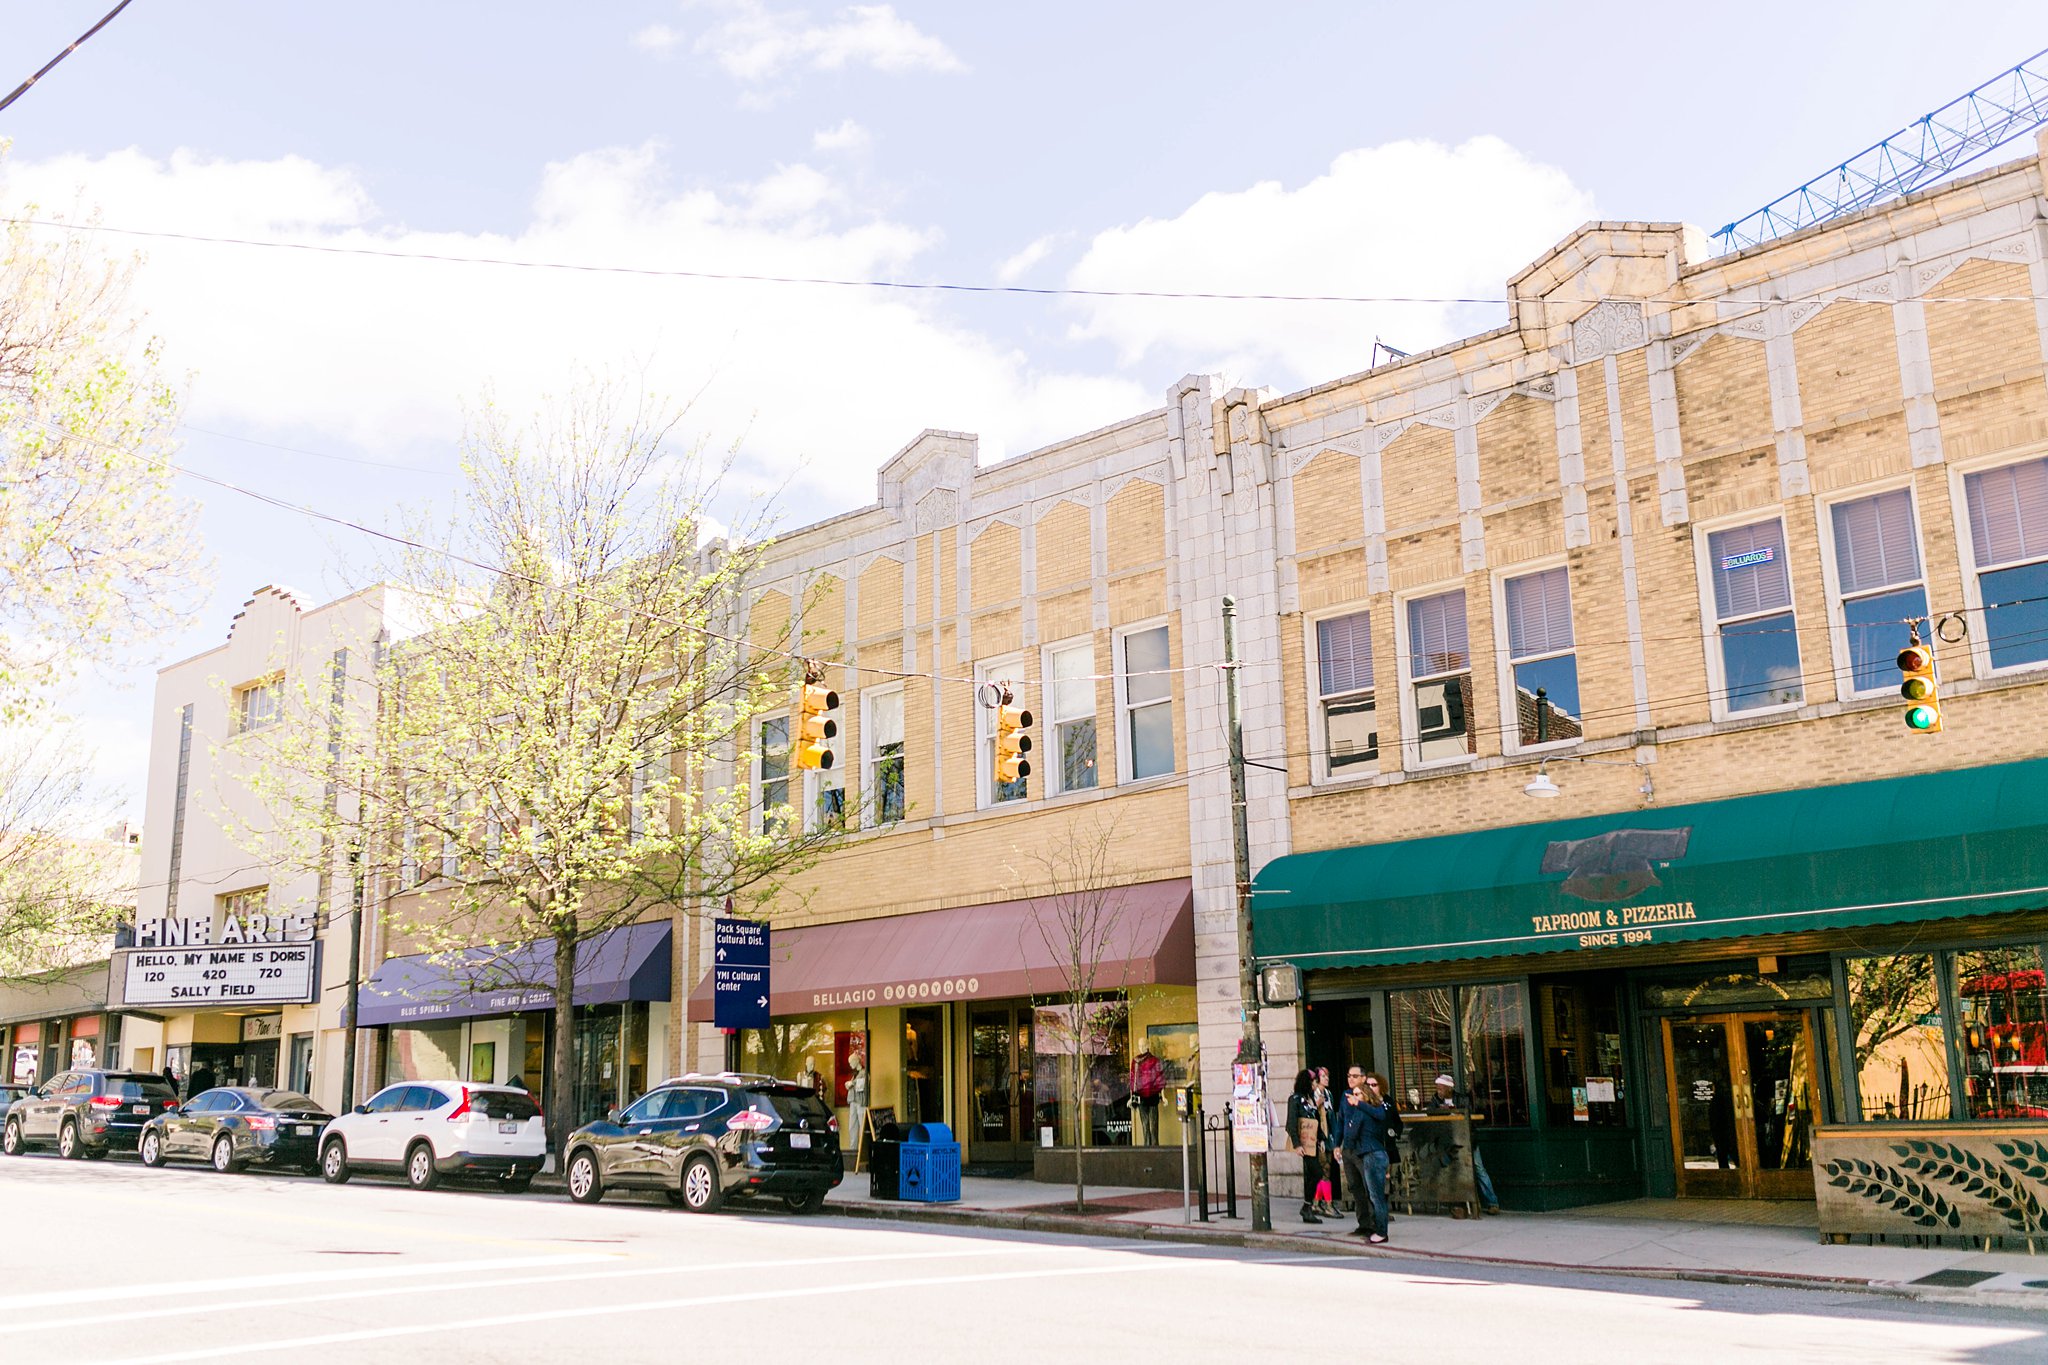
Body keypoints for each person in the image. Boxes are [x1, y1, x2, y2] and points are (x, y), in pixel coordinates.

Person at [1334, 1065, 1393, 1243]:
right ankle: (1367, 1225)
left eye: (1355, 1076)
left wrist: (1358, 1104)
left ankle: (1379, 1230)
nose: (1350, 1079)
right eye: (1348, 1075)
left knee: (1373, 1194)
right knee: (1359, 1189)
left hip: (1367, 1152)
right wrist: (1338, 1144)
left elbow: (1354, 1128)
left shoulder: (1368, 1106)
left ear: (1363, 1079)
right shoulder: (1350, 1100)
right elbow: (1342, 1122)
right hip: (1358, 1151)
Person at [1428, 1073, 1502, 1215]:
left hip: (1466, 1139)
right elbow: (1431, 1113)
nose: (1439, 1091)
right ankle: (1458, 1203)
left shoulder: (1462, 1098)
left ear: (1449, 1088)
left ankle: (1492, 1202)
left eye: (1441, 1088)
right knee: (1450, 1169)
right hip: (1448, 1142)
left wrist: (1452, 1110)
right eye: (1438, 1088)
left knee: (1479, 1169)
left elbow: (1468, 1114)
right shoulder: (1435, 1099)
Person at [1284, 1069, 1323, 1224]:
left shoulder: (1310, 1099)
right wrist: (1297, 1144)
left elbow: (1315, 1121)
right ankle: (1307, 1206)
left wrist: (1321, 1139)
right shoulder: (1295, 1099)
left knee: (1313, 1173)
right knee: (1316, 1172)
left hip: (1312, 1142)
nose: (1315, 1085)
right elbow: (1291, 1123)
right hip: (1303, 1143)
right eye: (1314, 1082)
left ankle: (1307, 1207)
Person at [1311, 1068, 1338, 1217]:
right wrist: (1316, 1104)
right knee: (1325, 1169)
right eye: (1323, 1076)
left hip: (1329, 1136)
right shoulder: (1313, 1094)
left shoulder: (1328, 1094)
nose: (1326, 1078)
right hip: (1318, 1137)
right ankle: (1327, 1203)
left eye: (1327, 1075)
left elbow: (1332, 1117)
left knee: (1327, 1168)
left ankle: (1316, 1202)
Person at [1129, 1050, 1165, 1146]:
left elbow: (1159, 1078)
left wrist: (1163, 1096)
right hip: (1141, 1096)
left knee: (1153, 1125)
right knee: (1145, 1124)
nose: (1141, 1048)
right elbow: (1133, 1080)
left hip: (1153, 1095)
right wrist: (1131, 1097)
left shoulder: (1155, 1061)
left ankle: (1155, 1146)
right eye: (1140, 1046)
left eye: (1144, 1045)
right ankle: (1147, 1146)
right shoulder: (1135, 1061)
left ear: (1147, 1046)